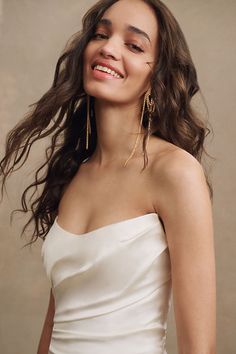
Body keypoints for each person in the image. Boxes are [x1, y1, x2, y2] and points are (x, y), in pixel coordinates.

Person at [0, 0, 216, 353]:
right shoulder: (74, 174)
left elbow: (199, 347)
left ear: (156, 74)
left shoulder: (175, 172)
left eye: (134, 45)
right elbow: (57, 323)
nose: (109, 48)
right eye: (101, 34)